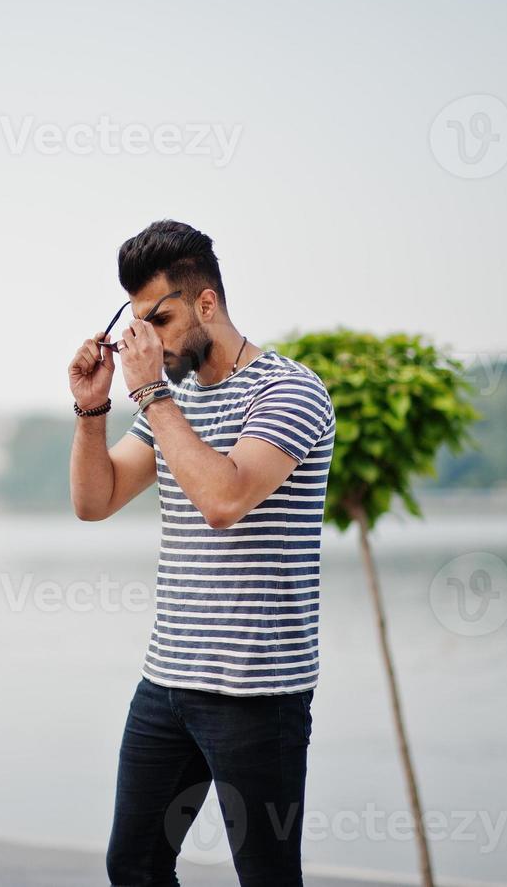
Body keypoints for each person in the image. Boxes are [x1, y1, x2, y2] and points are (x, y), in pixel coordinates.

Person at [67, 220, 336, 887]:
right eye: (137, 322)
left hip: (257, 693)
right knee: (132, 864)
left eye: (159, 317)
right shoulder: (172, 400)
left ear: (206, 304)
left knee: (266, 877)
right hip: (166, 684)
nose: (146, 339)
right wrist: (91, 409)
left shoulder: (290, 392)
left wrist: (151, 392)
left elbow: (223, 500)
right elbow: (94, 501)